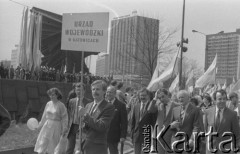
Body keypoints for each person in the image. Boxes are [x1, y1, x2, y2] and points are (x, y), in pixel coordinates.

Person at [82, 80, 115, 154]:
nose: (94, 91)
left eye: (97, 89)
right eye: (93, 89)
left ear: (104, 91)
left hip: (98, 147)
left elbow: (101, 126)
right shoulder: (88, 105)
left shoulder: (109, 107)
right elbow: (85, 127)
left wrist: (86, 116)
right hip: (86, 145)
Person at [204, 89, 240, 154]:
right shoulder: (207, 112)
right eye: (220, 99)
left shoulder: (233, 114)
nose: (222, 101)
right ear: (214, 100)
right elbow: (205, 130)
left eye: (224, 99)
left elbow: (237, 134)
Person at [34, 88, 68, 154]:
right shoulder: (48, 104)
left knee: (53, 144)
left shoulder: (61, 105)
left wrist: (65, 128)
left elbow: (65, 118)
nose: (51, 97)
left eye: (53, 95)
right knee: (43, 142)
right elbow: (44, 116)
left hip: (56, 126)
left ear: (57, 95)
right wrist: (39, 126)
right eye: (50, 95)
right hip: (47, 125)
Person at [147, 89, 179, 154]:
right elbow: (149, 110)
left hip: (170, 136)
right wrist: (155, 98)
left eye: (163, 96)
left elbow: (179, 120)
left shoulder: (176, 105)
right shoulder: (158, 105)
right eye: (159, 97)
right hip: (158, 134)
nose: (161, 99)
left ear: (168, 95)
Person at [66, 83, 92, 154]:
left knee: (81, 148)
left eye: (80, 90)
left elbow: (89, 115)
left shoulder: (89, 102)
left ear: (84, 91)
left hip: (82, 127)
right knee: (69, 148)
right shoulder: (71, 101)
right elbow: (69, 114)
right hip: (72, 126)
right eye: (77, 90)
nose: (78, 92)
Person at [131, 87, 157, 154]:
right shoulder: (136, 106)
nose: (142, 97)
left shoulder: (152, 106)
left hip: (146, 135)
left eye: (144, 95)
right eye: (141, 95)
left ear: (148, 96)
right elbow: (133, 122)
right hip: (136, 135)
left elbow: (154, 122)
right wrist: (132, 134)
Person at [105, 85, 128, 154]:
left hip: (114, 136)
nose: (108, 94)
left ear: (115, 94)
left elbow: (124, 122)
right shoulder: (102, 104)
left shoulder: (121, 105)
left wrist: (123, 136)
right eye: (107, 92)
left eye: (110, 92)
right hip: (102, 135)